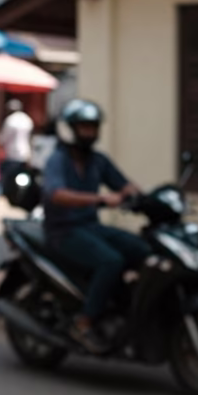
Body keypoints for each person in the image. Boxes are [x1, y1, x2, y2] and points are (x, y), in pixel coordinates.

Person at [42, 98, 148, 353]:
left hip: (90, 226)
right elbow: (56, 194)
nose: (90, 133)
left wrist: (144, 198)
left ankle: (122, 305)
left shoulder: (98, 160)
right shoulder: (57, 160)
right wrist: (100, 199)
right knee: (110, 261)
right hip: (63, 231)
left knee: (143, 250)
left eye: (93, 127)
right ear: (70, 130)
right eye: (84, 127)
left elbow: (123, 184)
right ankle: (84, 322)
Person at [0, 98, 34, 187]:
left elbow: (2, 139)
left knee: (10, 179)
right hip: (25, 154)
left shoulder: (10, 120)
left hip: (12, 155)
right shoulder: (27, 120)